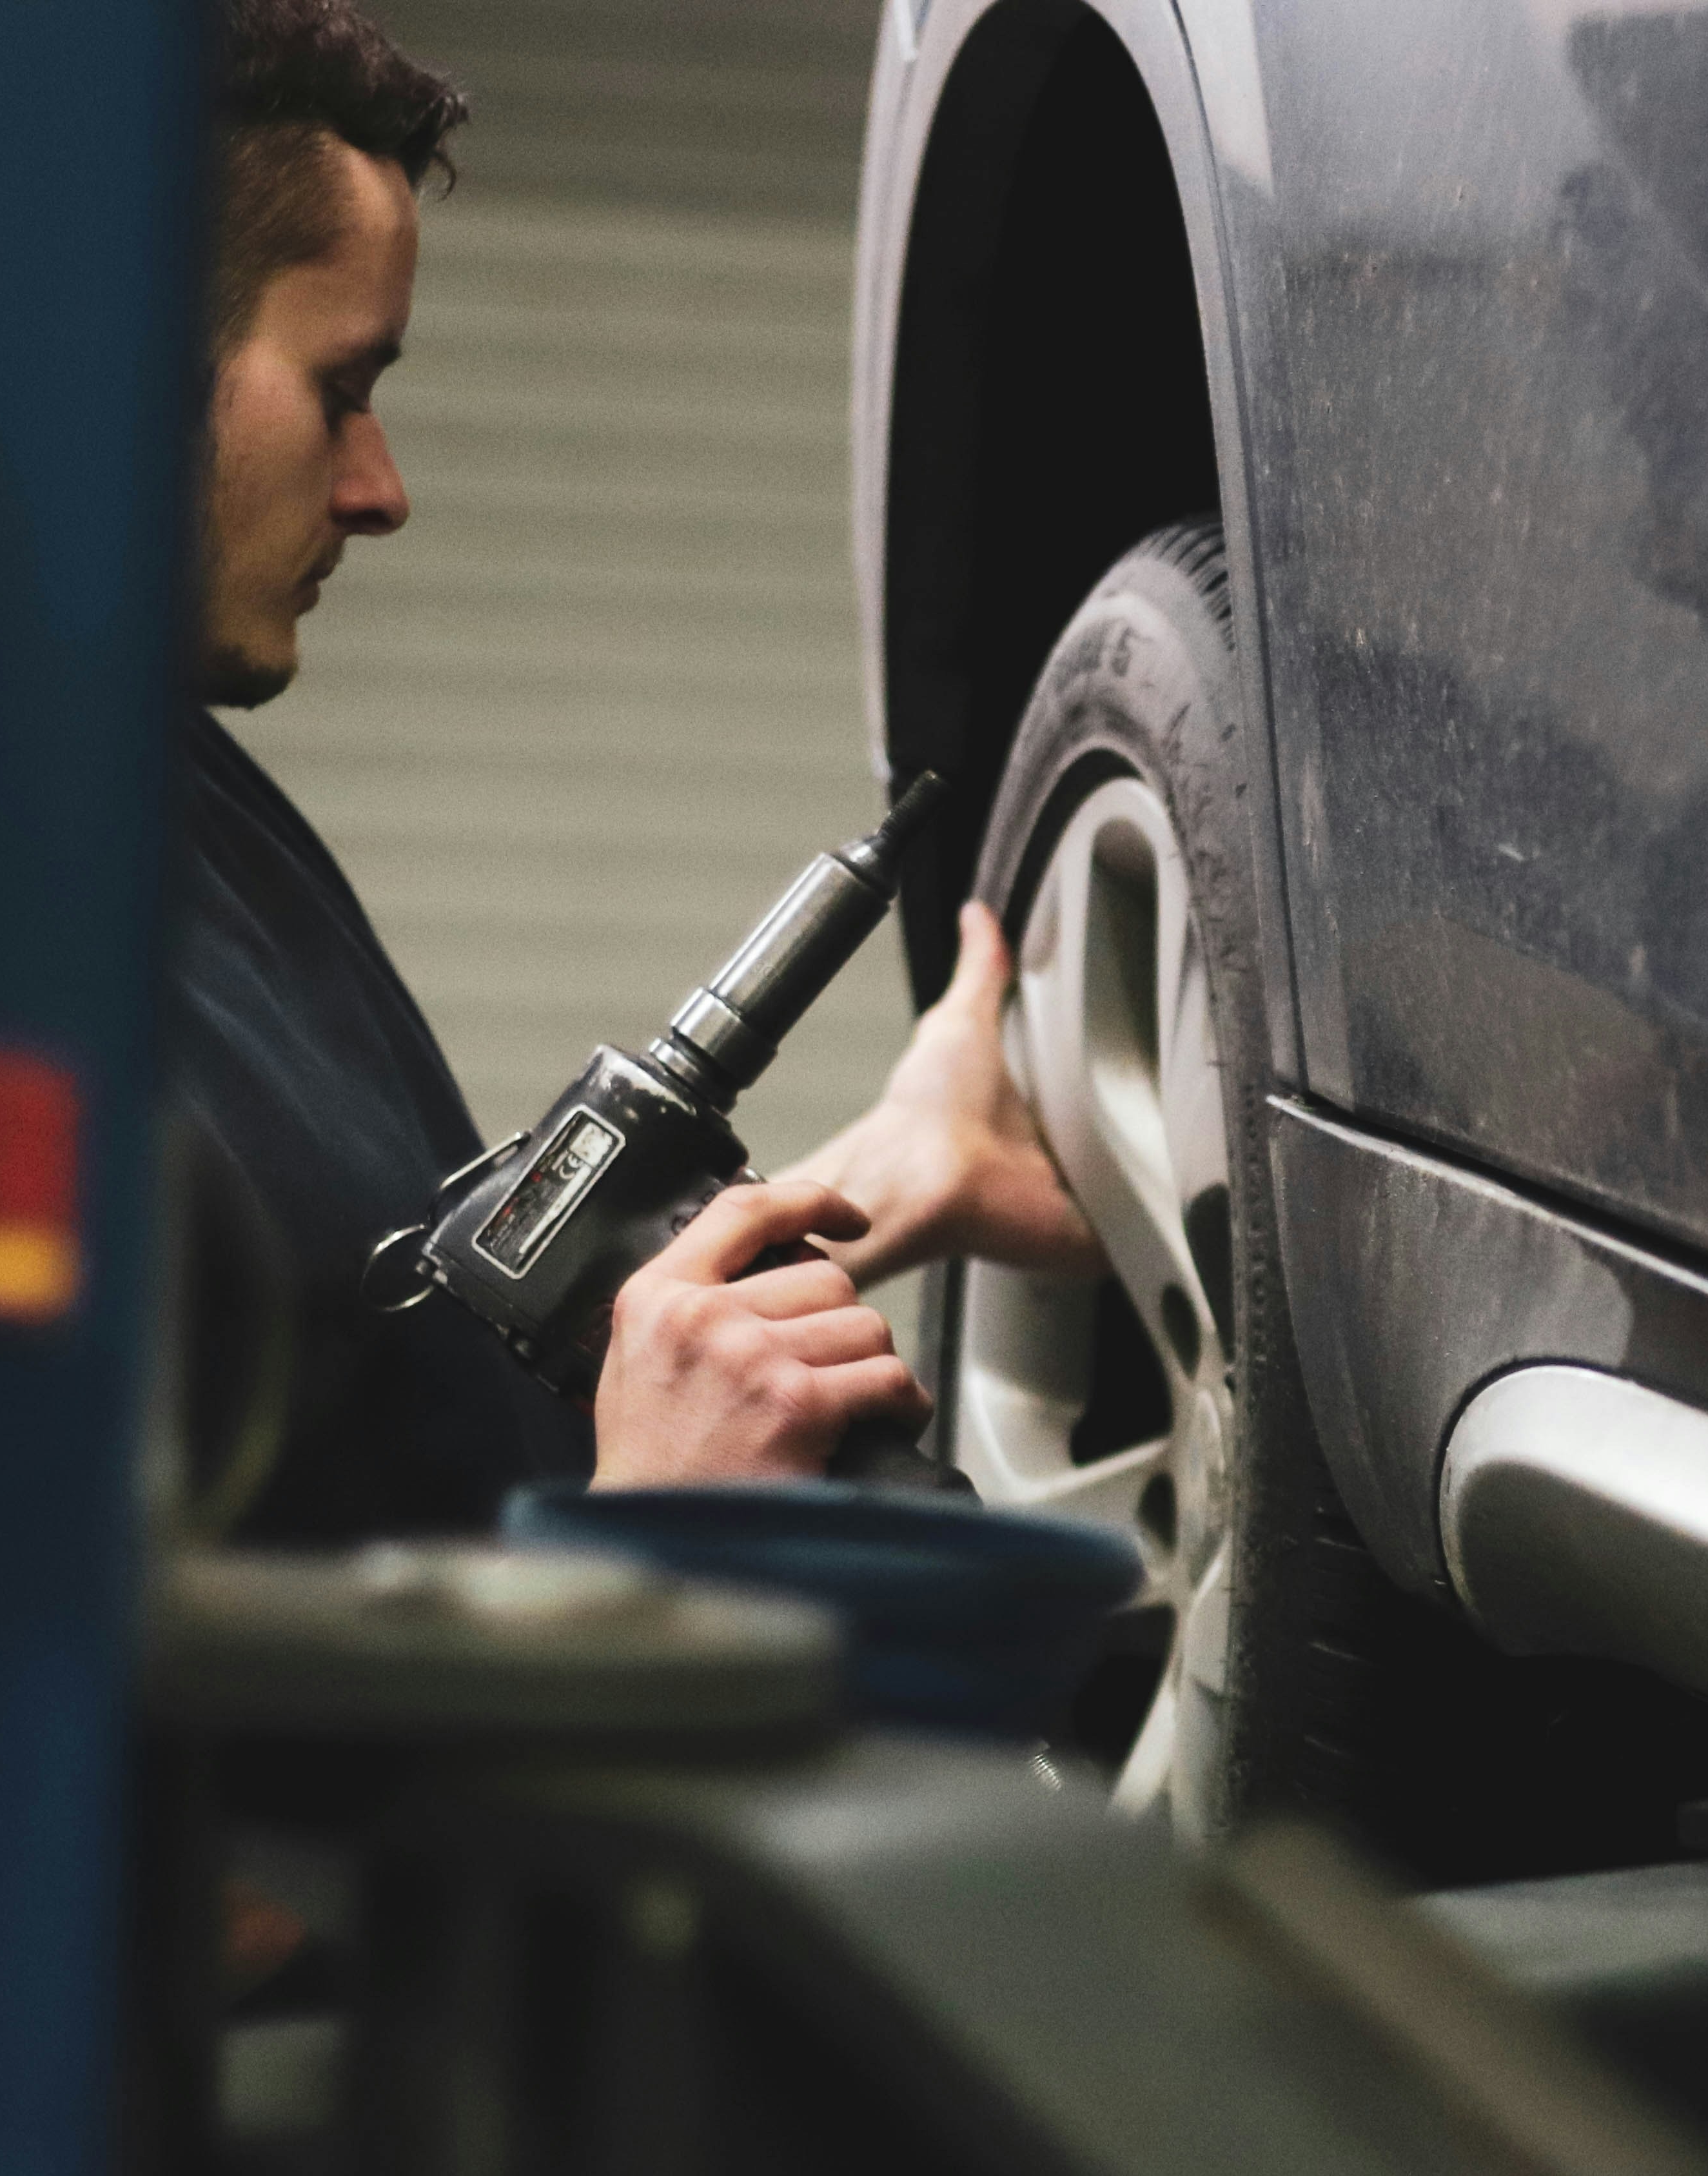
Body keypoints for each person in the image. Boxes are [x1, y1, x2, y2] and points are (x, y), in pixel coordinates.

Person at [175, 0, 1095, 1536]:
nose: (380, 487)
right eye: (343, 387)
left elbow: (399, 1392)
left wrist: (890, 1171)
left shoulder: (178, 805)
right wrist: (654, 1522)